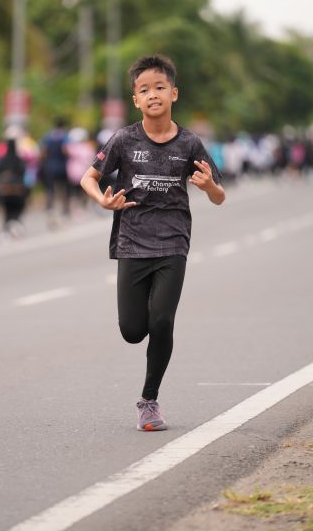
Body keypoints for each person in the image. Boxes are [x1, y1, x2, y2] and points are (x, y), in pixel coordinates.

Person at [81, 54, 225, 431]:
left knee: (161, 321)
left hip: (173, 243)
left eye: (160, 87)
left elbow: (219, 195)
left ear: (173, 93)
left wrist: (209, 187)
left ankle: (149, 401)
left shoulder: (190, 143)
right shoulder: (124, 139)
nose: (153, 94)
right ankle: (147, 311)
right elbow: (87, 178)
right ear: (136, 100)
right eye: (144, 90)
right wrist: (102, 201)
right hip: (132, 241)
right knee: (132, 331)